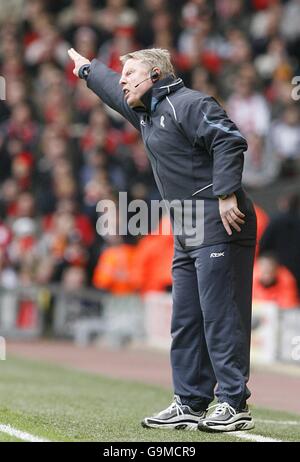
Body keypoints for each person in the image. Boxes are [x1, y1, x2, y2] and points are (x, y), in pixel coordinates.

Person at [68, 47, 257, 433]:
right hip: (187, 228)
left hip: (222, 219)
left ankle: (233, 402)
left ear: (154, 74)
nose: (122, 80)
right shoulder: (147, 113)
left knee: (220, 316)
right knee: (185, 319)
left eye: (130, 72)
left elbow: (229, 140)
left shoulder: (189, 103)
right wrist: (88, 70)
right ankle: (189, 402)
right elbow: (110, 89)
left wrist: (225, 193)